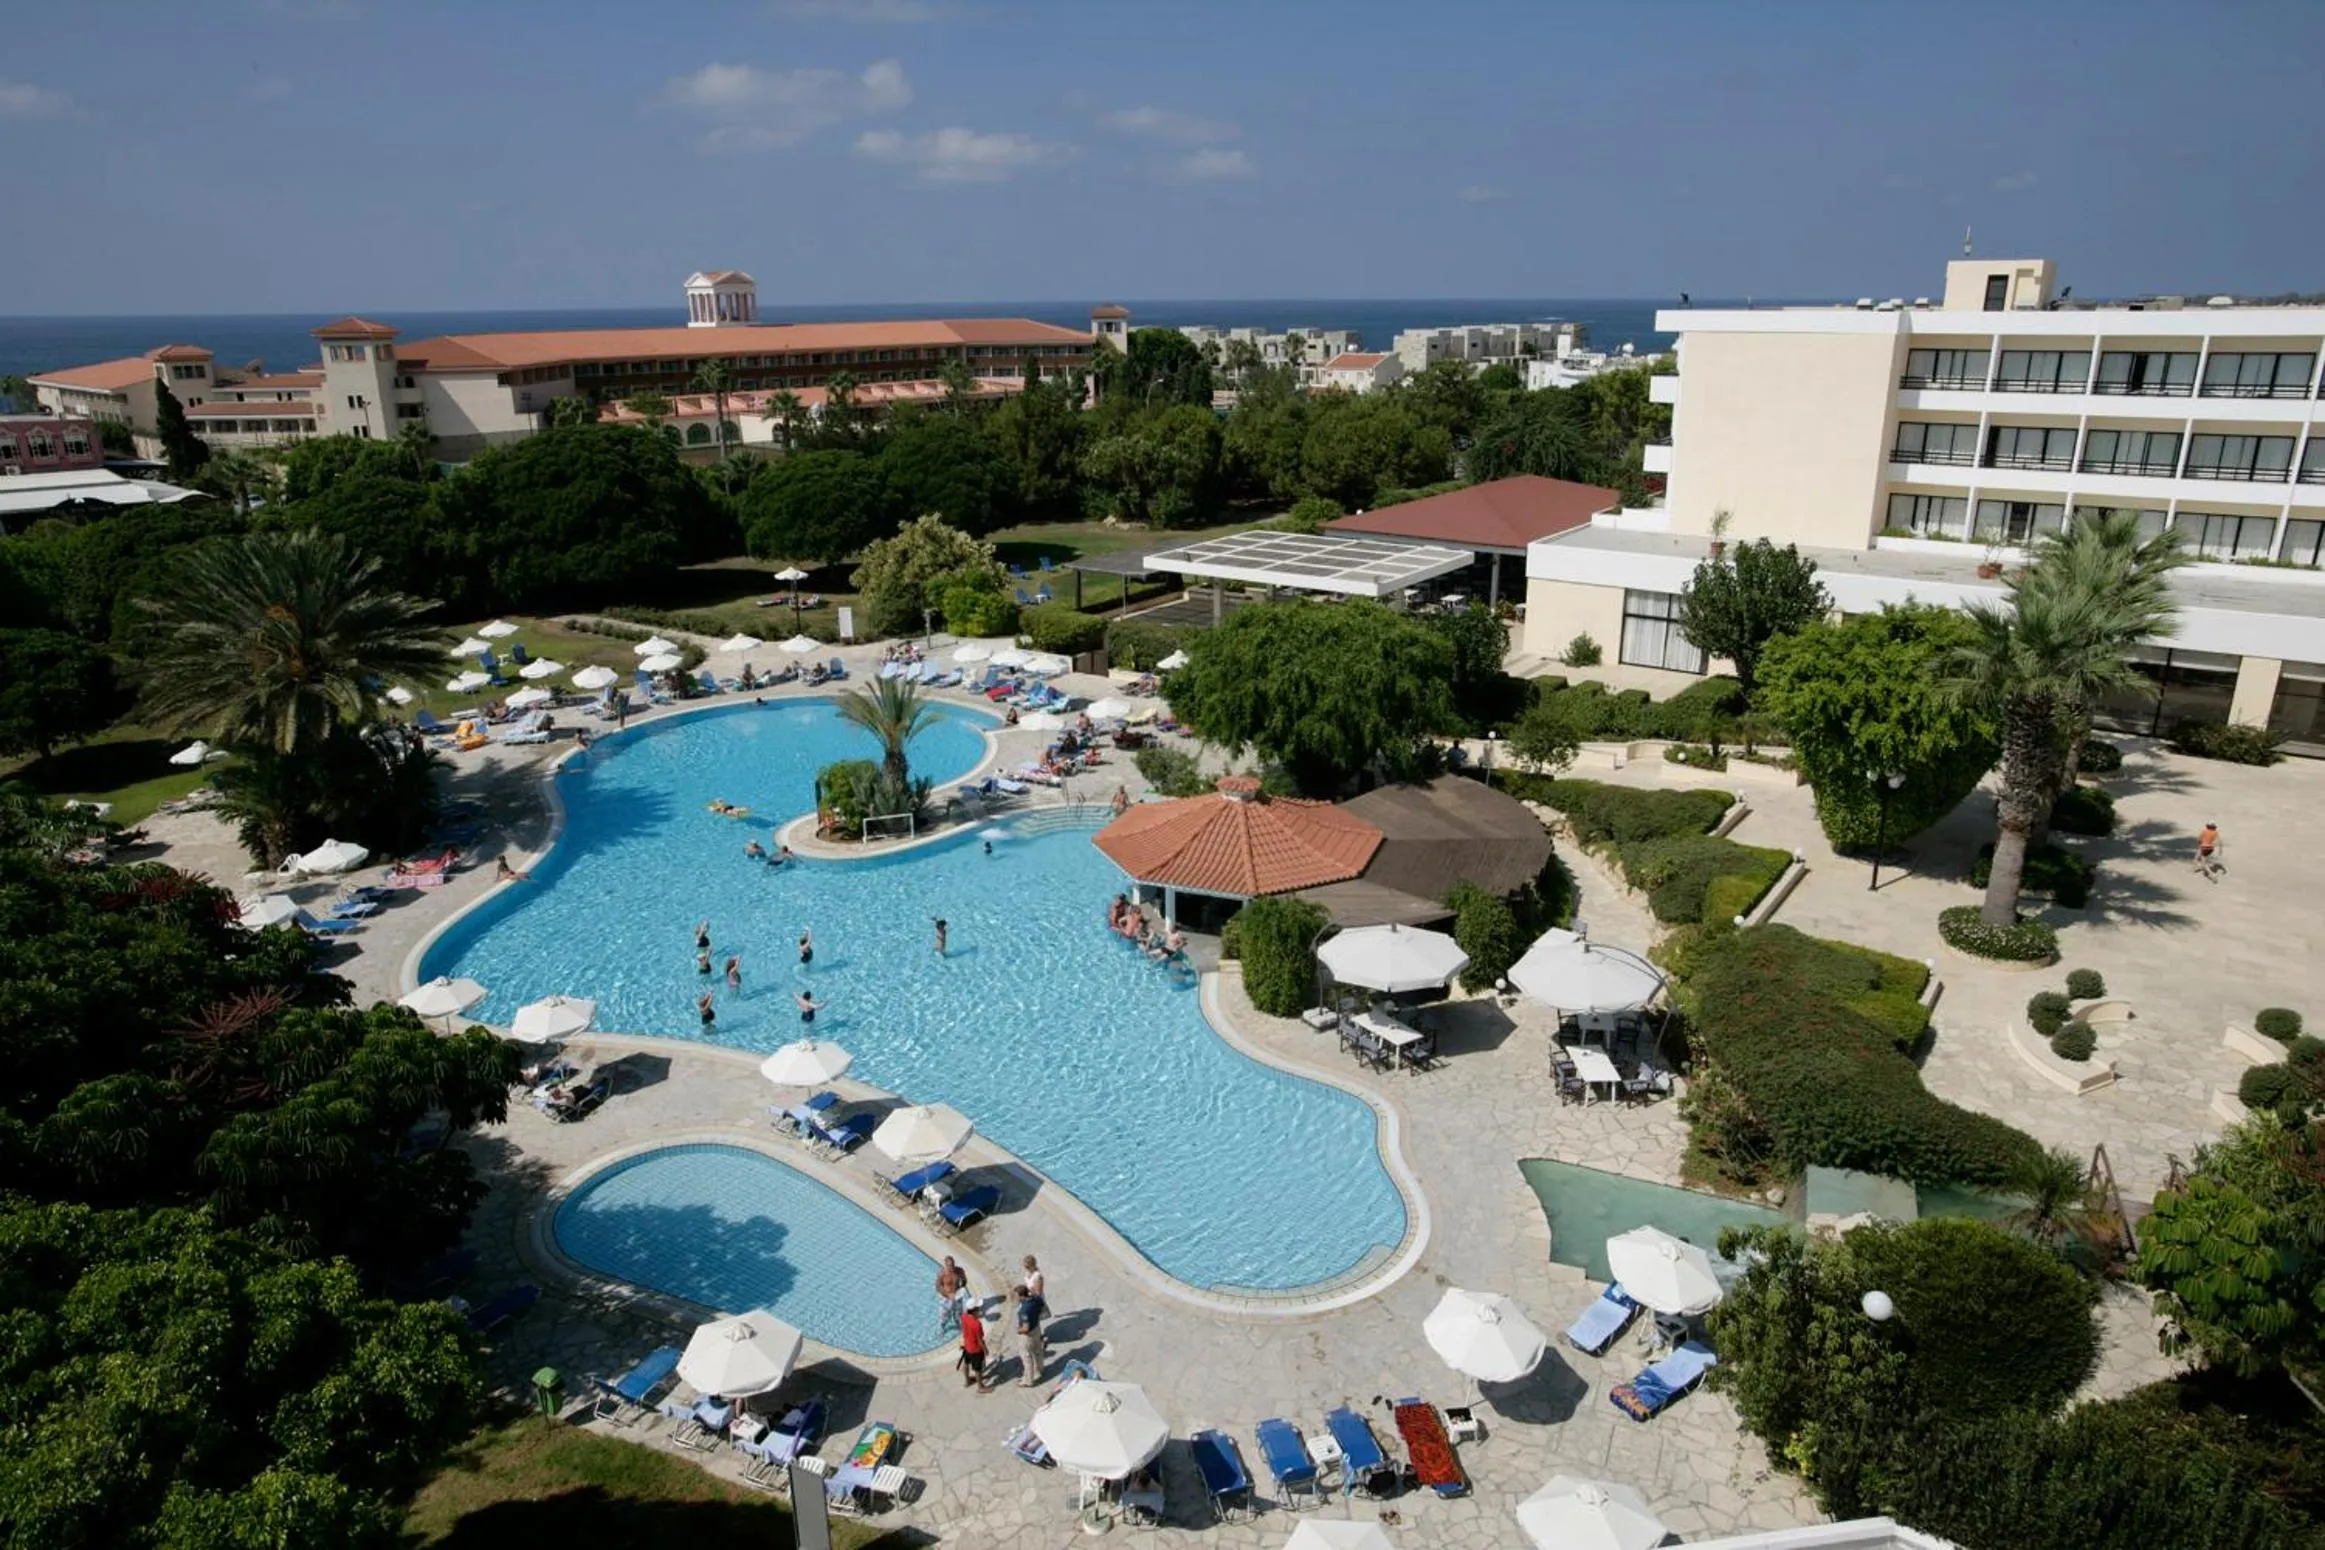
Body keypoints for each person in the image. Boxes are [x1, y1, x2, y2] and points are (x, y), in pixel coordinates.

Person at [1014, 1283, 1049, 1388]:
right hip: (1037, 1329)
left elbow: (1025, 1328)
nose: (1015, 1298)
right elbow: (1042, 1306)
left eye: (1016, 1295)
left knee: (1027, 1357)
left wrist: (1018, 1330)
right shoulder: (1036, 1298)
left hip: (1027, 1335)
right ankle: (1040, 1369)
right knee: (1038, 1351)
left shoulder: (1024, 1310)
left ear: (1021, 1296)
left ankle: (1028, 1381)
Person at [957, 1301, 989, 1391]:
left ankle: (967, 1381)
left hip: (967, 1345)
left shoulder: (963, 1316)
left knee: (966, 1363)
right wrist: (985, 1349)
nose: (979, 1310)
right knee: (978, 1368)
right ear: (975, 1310)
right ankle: (980, 1387)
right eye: (978, 1308)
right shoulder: (977, 1324)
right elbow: (979, 1340)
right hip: (975, 1349)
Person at [935, 1256, 968, 1334]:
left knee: (959, 1313)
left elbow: (964, 1280)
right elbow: (938, 1287)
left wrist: (961, 1289)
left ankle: (959, 1325)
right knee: (944, 1315)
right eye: (949, 1265)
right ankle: (941, 1327)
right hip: (946, 1297)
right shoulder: (942, 1273)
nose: (952, 1267)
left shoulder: (959, 1271)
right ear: (945, 1265)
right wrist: (948, 1294)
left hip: (957, 1296)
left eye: (953, 1265)